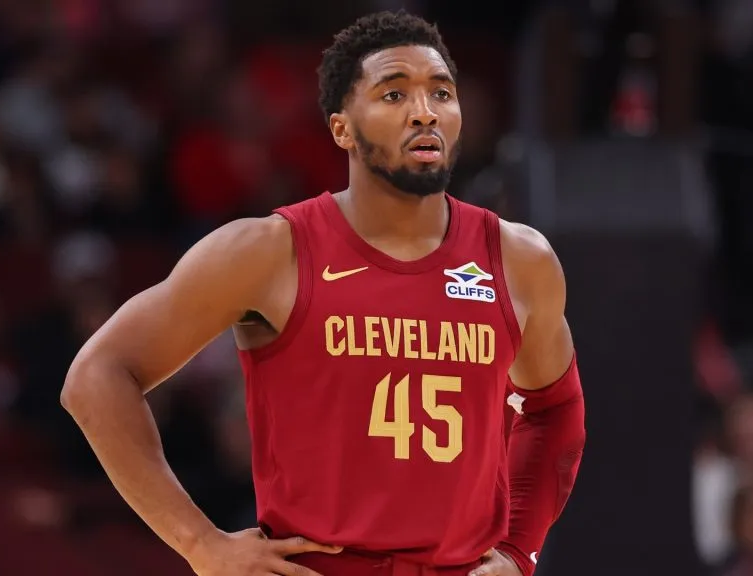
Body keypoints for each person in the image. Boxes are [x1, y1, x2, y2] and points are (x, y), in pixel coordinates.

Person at [60, 11, 585, 576]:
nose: (424, 111)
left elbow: (554, 410)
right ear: (342, 129)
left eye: (441, 92)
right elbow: (96, 379)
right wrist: (199, 543)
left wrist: (518, 549)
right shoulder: (267, 251)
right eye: (393, 94)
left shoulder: (520, 259)